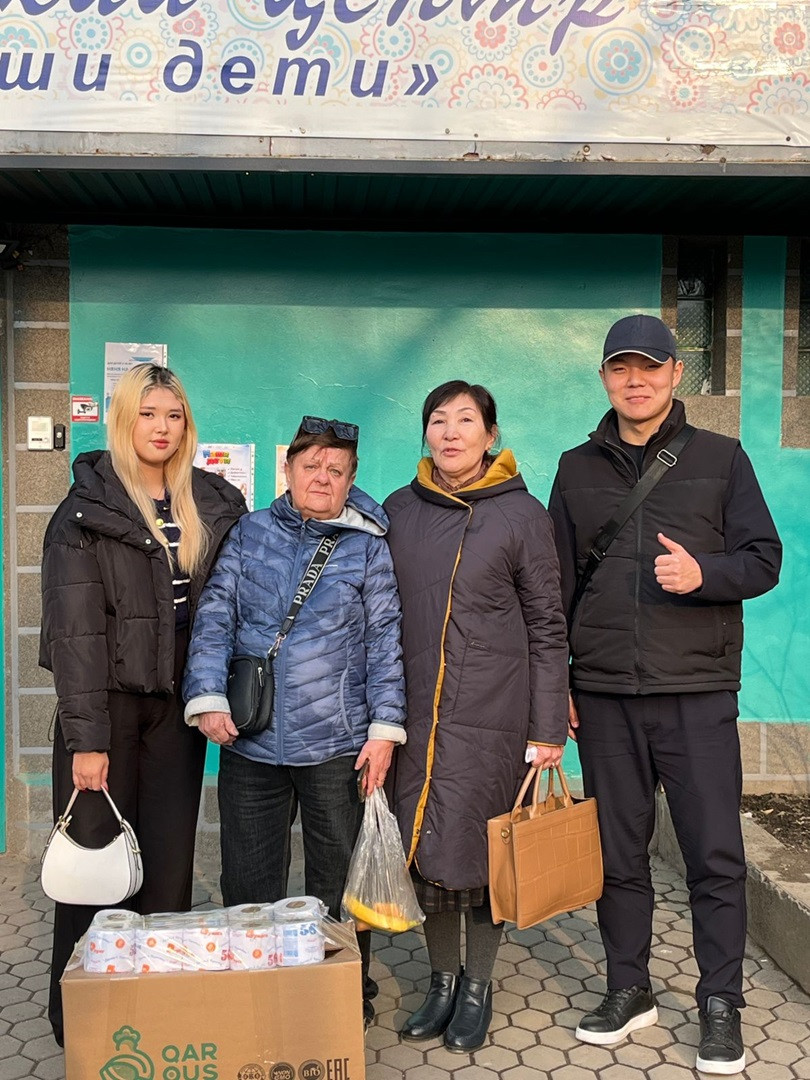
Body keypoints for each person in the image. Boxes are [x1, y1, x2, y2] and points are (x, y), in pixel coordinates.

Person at [548, 314, 782, 1075]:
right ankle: (629, 987)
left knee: (714, 854)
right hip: (604, 693)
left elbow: (764, 559)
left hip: (696, 691)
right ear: (604, 378)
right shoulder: (575, 468)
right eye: (621, 367)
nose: (635, 380)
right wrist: (560, 686)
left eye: (650, 367)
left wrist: (705, 574)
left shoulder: (722, 458)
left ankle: (720, 1002)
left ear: (677, 374)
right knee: (619, 855)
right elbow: (553, 588)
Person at [40, 364, 246, 1045]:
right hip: (105, 710)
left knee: (166, 866)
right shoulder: (85, 510)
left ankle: (154, 1009)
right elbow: (74, 634)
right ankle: (82, 1020)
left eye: (174, 415)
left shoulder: (211, 501)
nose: (162, 428)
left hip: (174, 713)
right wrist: (87, 740)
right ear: (124, 419)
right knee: (95, 866)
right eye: (148, 413)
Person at [182, 415, 406, 1027]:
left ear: (351, 480)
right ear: (288, 469)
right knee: (249, 878)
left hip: (337, 743)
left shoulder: (367, 546)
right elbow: (215, 616)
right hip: (250, 740)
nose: (322, 477)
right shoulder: (250, 533)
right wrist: (208, 696)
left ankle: (341, 993)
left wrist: (385, 729)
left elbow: (385, 641)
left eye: (336, 470)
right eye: (312, 465)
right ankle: (256, 994)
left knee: (337, 882)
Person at [384, 381, 570, 1053]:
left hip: (494, 714)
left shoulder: (521, 515)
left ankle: (478, 987)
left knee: (485, 851)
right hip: (414, 714)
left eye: (466, 420)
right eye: (439, 420)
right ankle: (440, 981)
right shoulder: (400, 509)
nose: (451, 432)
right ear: (426, 433)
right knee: (428, 849)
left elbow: (548, 626)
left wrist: (548, 729)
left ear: (491, 435)